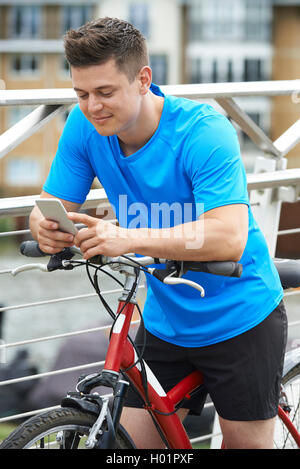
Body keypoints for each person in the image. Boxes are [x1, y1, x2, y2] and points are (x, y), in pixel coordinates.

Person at [29, 17, 287, 449]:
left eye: (105, 92)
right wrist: (47, 228)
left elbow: (228, 236)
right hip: (166, 323)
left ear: (144, 78)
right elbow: (49, 205)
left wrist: (126, 238)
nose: (92, 107)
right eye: (82, 93)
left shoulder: (203, 130)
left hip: (241, 318)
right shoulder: (83, 128)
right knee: (132, 447)